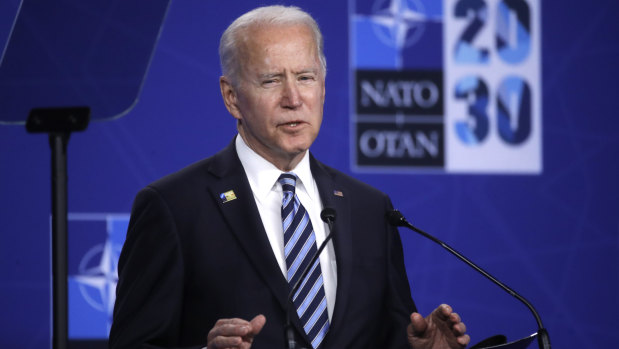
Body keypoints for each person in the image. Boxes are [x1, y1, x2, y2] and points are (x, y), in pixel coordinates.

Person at [109, 5, 470, 349]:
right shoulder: (174, 207)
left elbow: (386, 335)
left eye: (305, 77)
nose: (293, 98)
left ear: (323, 87)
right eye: (270, 80)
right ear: (231, 97)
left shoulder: (371, 209)